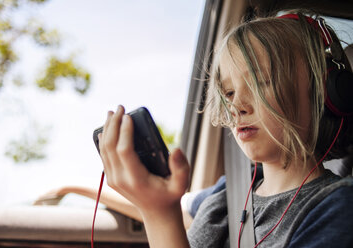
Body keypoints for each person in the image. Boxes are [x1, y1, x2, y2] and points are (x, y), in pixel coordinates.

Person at [98, 10, 353, 248]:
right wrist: (70, 187)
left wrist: (159, 216)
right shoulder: (228, 191)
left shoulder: (338, 209)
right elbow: (177, 205)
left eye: (259, 83)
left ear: (325, 91)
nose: (236, 106)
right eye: (229, 92)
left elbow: (166, 210)